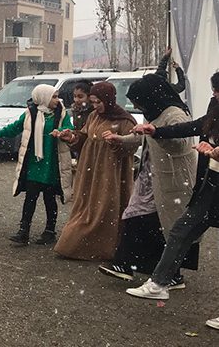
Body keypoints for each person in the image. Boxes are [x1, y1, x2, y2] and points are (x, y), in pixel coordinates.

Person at [124, 74, 219, 322]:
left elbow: (183, 142)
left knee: (179, 230)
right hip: (211, 184)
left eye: (217, 91)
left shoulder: (175, 111)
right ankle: (160, 282)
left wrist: (216, 152)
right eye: (214, 90)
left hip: (196, 181)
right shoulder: (215, 109)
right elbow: (194, 127)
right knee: (180, 231)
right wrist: (157, 131)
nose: (214, 95)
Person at [100, 73, 197, 284]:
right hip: (150, 178)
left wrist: (157, 133)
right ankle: (128, 264)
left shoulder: (175, 115)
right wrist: (121, 139)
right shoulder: (153, 111)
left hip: (170, 180)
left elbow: (181, 144)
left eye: (139, 102)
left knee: (166, 226)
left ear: (150, 97)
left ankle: (166, 273)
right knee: (140, 218)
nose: (138, 107)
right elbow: (143, 135)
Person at [55, 82, 137, 260]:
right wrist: (72, 137)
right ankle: (77, 245)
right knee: (85, 204)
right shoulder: (94, 116)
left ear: (108, 99)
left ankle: (102, 248)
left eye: (98, 102)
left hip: (110, 172)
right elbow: (85, 137)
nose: (95, 105)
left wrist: (117, 140)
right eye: (93, 102)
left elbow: (133, 145)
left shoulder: (125, 120)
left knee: (105, 207)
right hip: (89, 170)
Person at [0, 84, 73, 244]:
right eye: (53, 97)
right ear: (43, 98)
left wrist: (63, 132)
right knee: (30, 198)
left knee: (49, 199)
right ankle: (23, 231)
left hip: (52, 163)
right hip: (33, 162)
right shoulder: (30, 113)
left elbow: (69, 128)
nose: (57, 100)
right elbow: (16, 127)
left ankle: (49, 231)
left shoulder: (61, 113)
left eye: (56, 96)